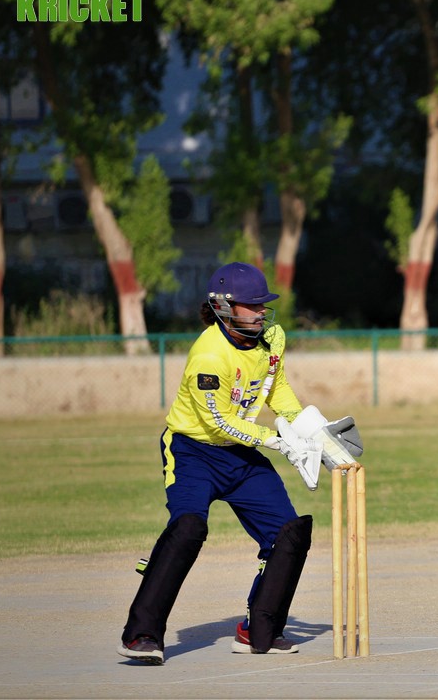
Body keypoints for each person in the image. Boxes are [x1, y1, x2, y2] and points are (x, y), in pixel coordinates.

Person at [117, 262, 318, 665]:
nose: (260, 312)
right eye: (251, 305)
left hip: (240, 456)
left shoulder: (272, 339)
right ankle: (142, 634)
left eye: (263, 305)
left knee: (288, 534)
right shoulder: (208, 355)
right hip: (193, 452)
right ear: (223, 307)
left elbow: (275, 388)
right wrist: (275, 440)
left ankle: (259, 631)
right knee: (188, 528)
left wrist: (311, 428)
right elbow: (218, 422)